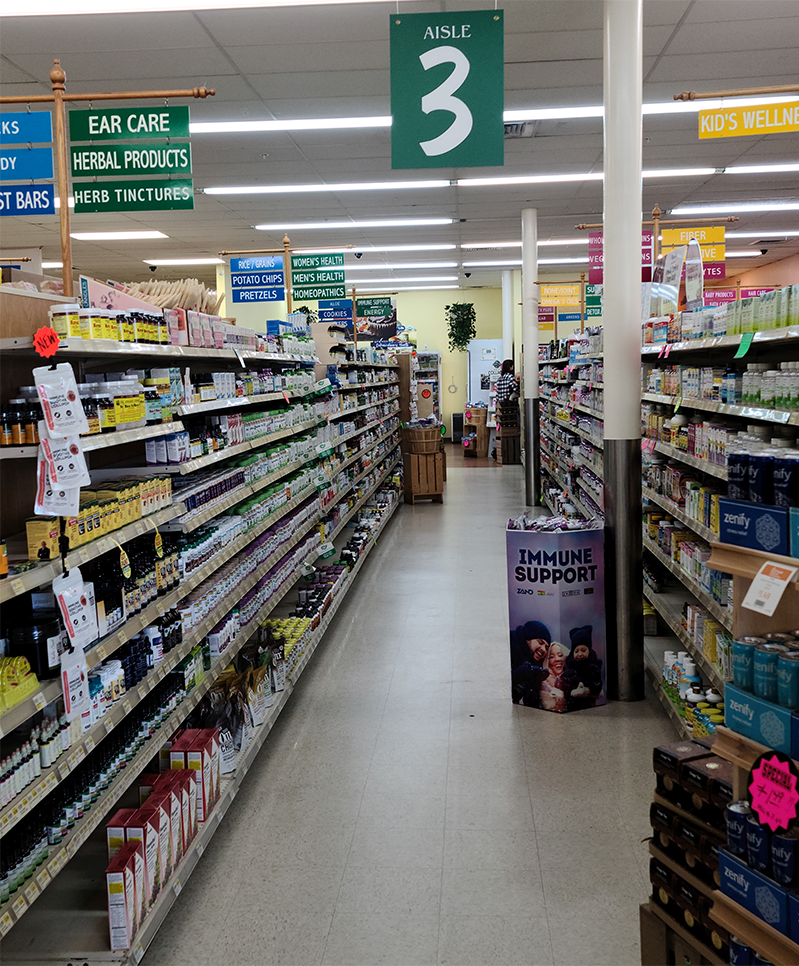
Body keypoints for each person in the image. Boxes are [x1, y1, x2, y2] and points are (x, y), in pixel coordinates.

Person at [510, 620, 550, 706]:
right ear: (527, 639)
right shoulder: (508, 648)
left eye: (547, 647)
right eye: (540, 642)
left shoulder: (534, 666)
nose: (543, 649)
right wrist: (520, 673)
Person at [565, 625, 604, 711]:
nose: (580, 654)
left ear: (589, 651)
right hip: (571, 707)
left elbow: (598, 688)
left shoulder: (594, 666)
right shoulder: (569, 665)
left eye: (583, 650)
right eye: (576, 651)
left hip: (590, 706)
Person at [539, 641, 573, 713]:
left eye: (560, 655)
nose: (557, 659)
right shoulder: (543, 684)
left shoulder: (575, 678)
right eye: (551, 657)